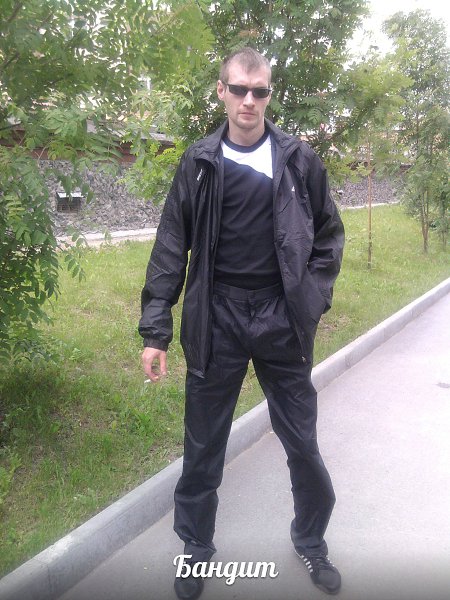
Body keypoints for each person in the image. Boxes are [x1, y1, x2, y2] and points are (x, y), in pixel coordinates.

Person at [139, 47, 345, 600]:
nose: (248, 100)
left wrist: (311, 299)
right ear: (221, 92)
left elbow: (329, 236)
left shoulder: (298, 159)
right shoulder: (199, 162)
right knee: (204, 444)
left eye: (259, 91)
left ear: (269, 95)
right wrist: (156, 330)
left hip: (281, 317)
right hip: (218, 318)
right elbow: (171, 246)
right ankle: (196, 549)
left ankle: (311, 540)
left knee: (302, 442)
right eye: (238, 89)